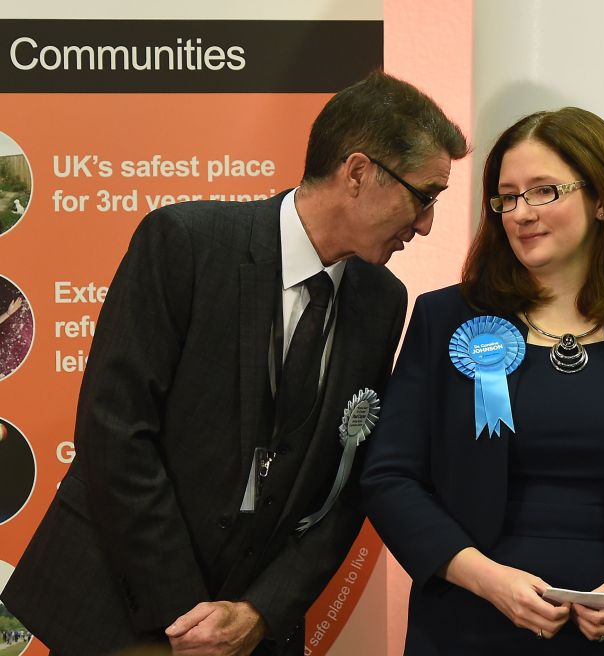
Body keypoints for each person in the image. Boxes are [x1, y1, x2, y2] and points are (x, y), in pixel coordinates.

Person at [1, 70, 467, 655]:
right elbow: (116, 433)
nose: (425, 224)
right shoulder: (186, 243)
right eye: (424, 196)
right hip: (120, 612)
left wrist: (261, 612)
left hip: (251, 633)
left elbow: (349, 484)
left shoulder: (382, 301)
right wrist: (187, 616)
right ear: (357, 172)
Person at [361, 107, 604, 654]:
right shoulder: (447, 318)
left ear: (602, 199)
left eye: (543, 192)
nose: (521, 213)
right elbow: (390, 478)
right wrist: (489, 580)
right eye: (507, 197)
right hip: (469, 624)